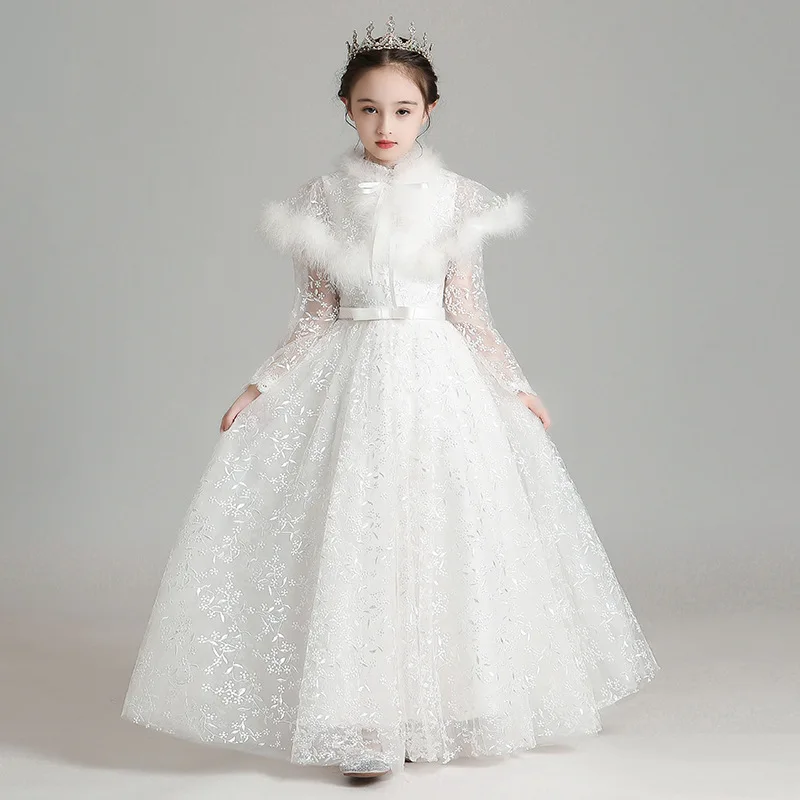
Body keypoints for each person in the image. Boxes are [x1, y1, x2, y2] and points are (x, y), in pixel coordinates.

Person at [121, 15, 660, 782]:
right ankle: (362, 721)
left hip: (440, 384)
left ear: (429, 112)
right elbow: (313, 314)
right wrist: (260, 384)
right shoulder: (321, 200)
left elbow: (469, 311)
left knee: (444, 533)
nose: (386, 125)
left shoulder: (458, 200)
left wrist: (516, 386)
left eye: (403, 110)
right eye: (370, 108)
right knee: (361, 541)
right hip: (354, 382)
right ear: (346, 109)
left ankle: (441, 704)